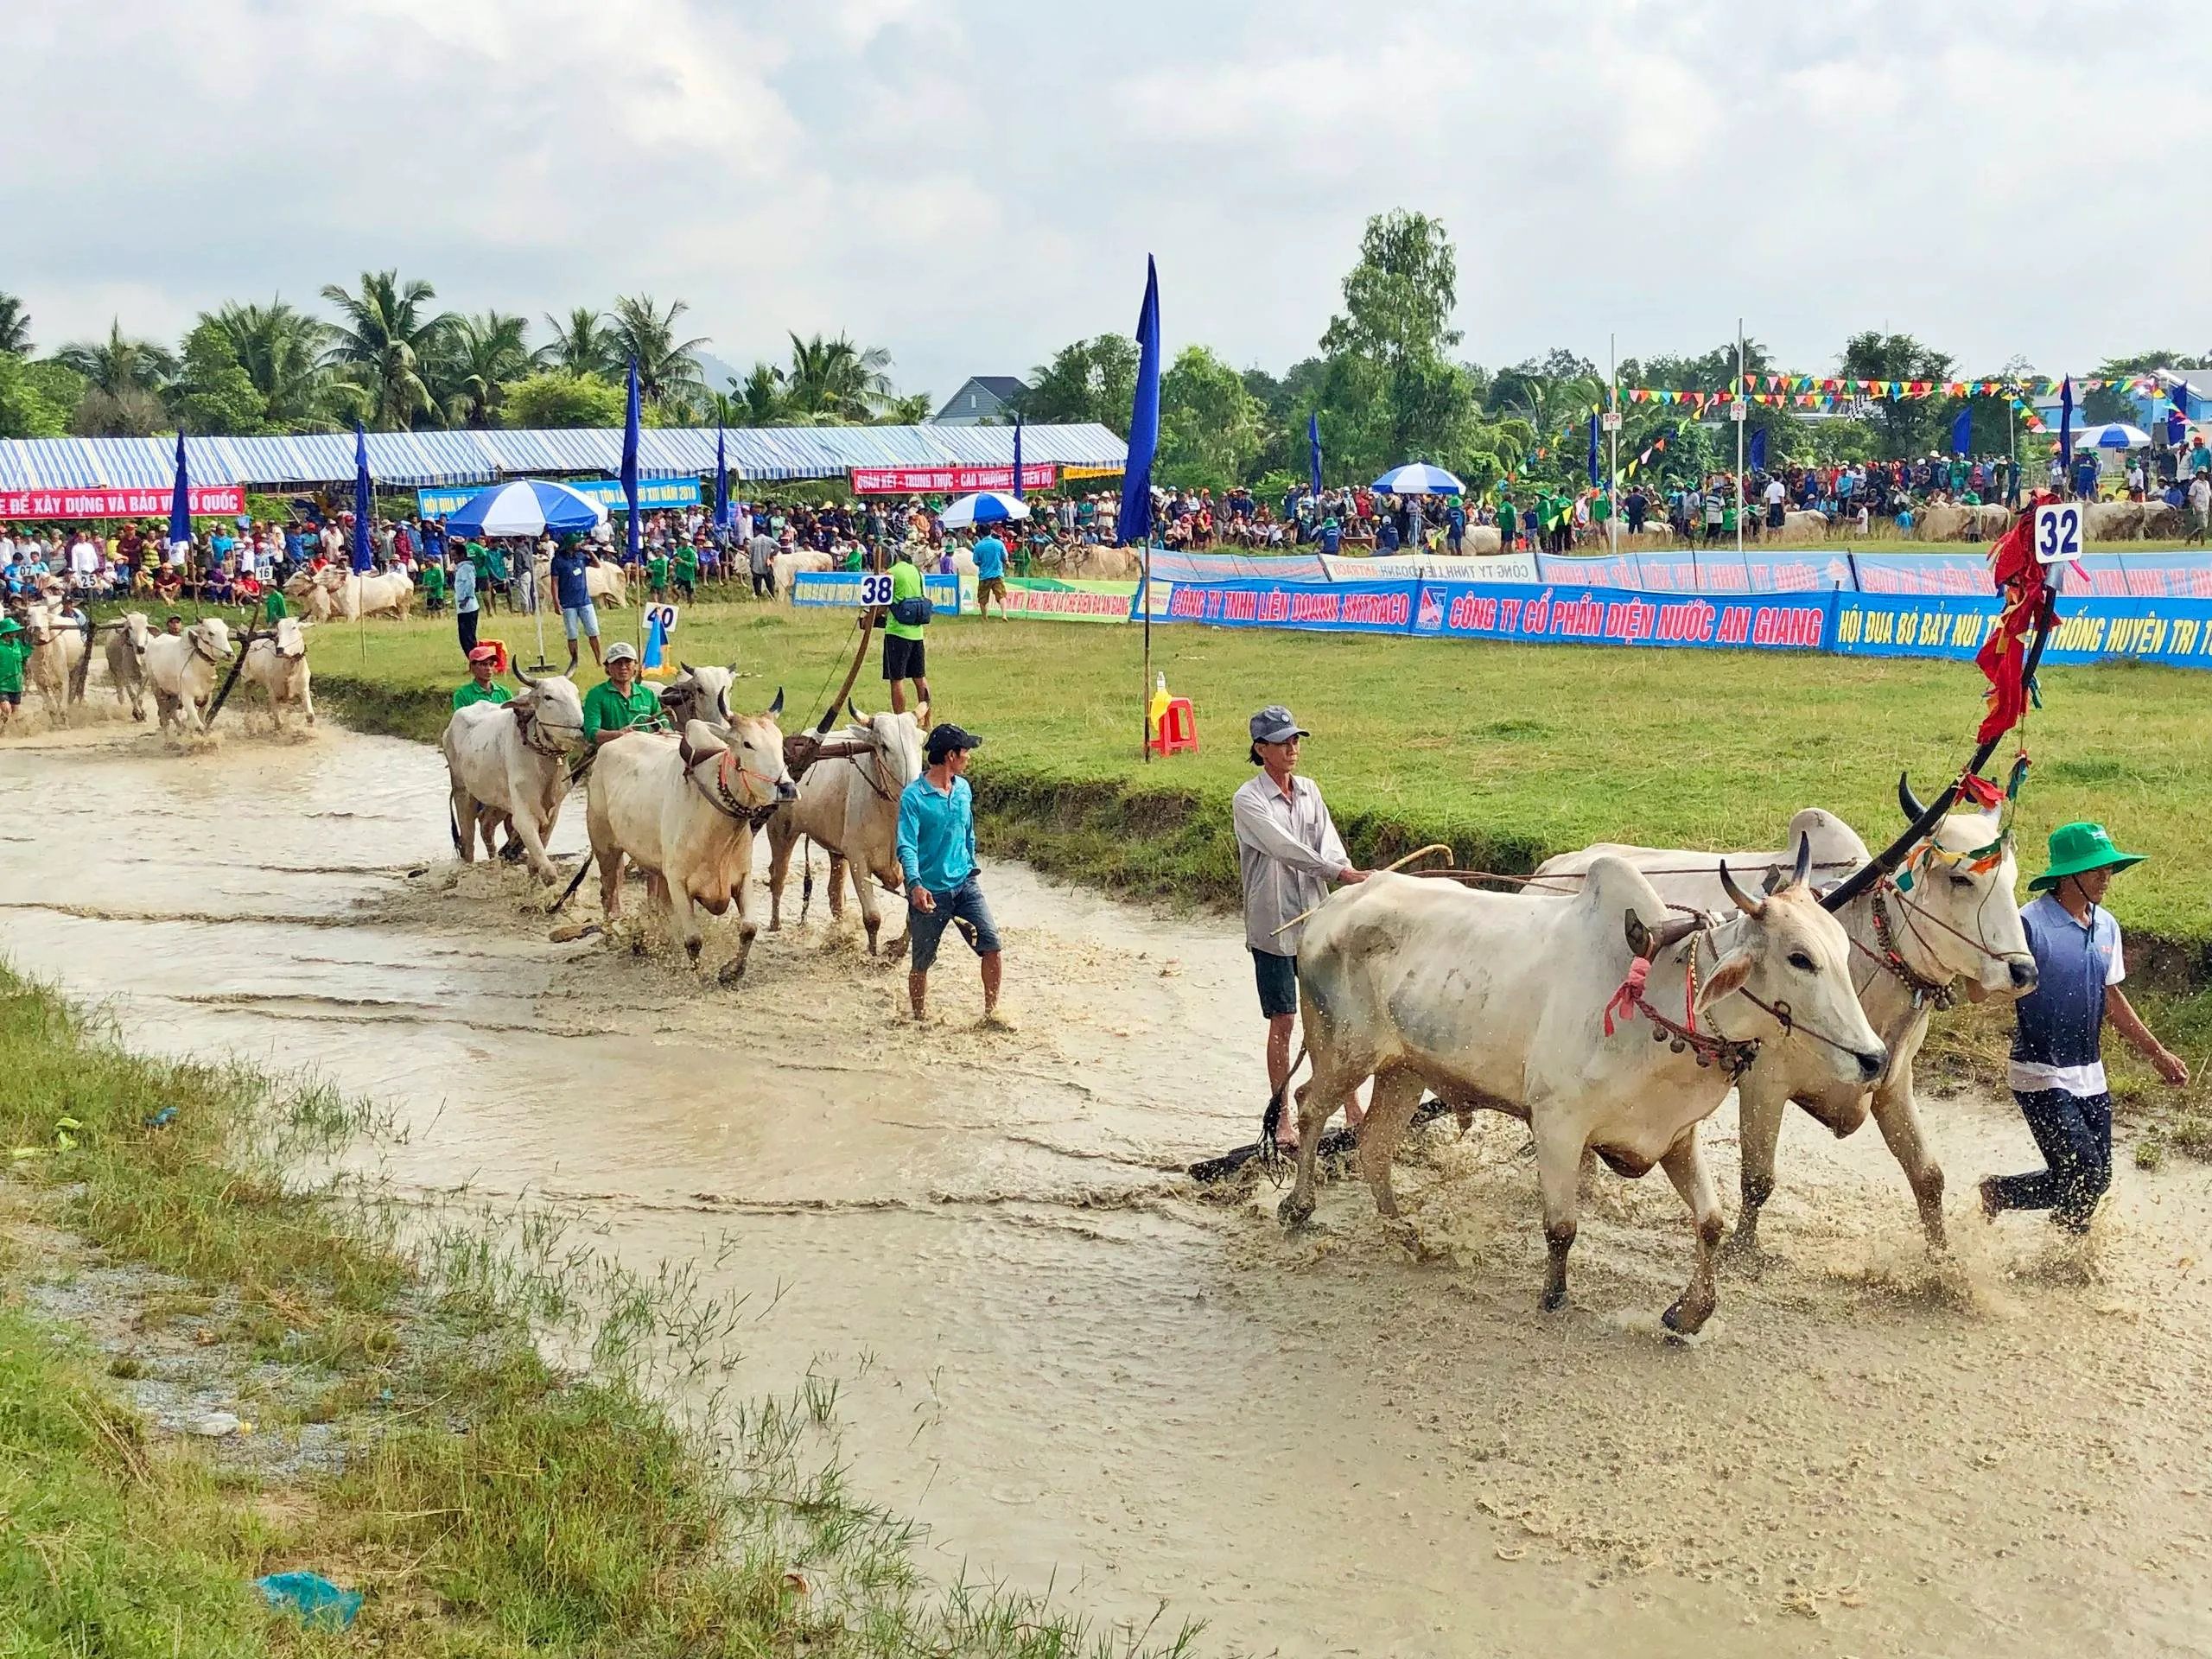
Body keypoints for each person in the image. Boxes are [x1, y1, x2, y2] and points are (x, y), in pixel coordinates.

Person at [1980, 823, 2189, 1234]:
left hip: (2089, 1074)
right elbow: (1994, 986)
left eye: (2109, 869)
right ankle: (2046, 1237)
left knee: (2095, 1179)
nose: (2106, 878)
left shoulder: (2106, 925)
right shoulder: (2029, 924)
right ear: (2067, 875)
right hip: (2040, 1073)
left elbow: (2112, 998)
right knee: (2085, 1175)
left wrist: (2157, 1054)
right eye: (2096, 870)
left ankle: (2015, 1208)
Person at [1231, 706, 1368, 1149]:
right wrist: (1337, 873)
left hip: (1317, 925)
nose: (1293, 748)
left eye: (1296, 740)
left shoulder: (1309, 791)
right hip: (1273, 929)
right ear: (1260, 749)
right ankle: (1282, 1118)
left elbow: (1330, 845)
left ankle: (1351, 1107)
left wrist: (1349, 876)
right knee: (1285, 1022)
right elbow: (1284, 848)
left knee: (1333, 1017)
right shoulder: (1248, 800)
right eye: (1283, 741)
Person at [895, 722, 1003, 1024]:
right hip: (930, 894)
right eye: (965, 751)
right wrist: (915, 885)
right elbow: (906, 846)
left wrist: (969, 862)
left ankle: (991, 1013)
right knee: (922, 962)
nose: (968, 756)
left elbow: (967, 831)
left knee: (992, 945)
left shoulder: (963, 789)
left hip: (965, 886)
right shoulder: (913, 798)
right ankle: (919, 1018)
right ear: (951, 756)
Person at [579, 642, 664, 747]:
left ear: (635, 666)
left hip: (645, 754)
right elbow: (591, 732)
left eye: (628, 662)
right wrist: (618, 735)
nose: (623, 667)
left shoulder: (648, 694)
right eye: (617, 663)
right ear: (607, 668)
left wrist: (665, 732)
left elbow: (664, 724)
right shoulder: (596, 695)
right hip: (609, 754)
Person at [882, 546, 931, 715]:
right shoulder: (917, 572)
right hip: (917, 631)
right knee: (920, 678)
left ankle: (899, 721)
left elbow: (882, 602)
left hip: (897, 632)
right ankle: (927, 720)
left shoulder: (890, 573)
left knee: (896, 679)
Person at [550, 538, 602, 675]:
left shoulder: (581, 556)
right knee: (572, 634)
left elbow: (597, 565)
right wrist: (556, 601)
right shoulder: (558, 561)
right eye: (577, 542)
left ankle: (599, 660)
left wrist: (590, 552)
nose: (580, 544)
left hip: (584, 601)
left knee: (593, 631)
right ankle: (575, 661)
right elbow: (554, 582)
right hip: (568, 603)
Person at [452, 643, 511, 711]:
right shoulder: (462, 695)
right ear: (472, 667)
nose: (488, 668)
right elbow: (461, 719)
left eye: (491, 664)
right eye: (483, 664)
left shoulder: (504, 692)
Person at [971, 526, 1009, 618]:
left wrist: (983, 563)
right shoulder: (999, 543)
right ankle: (1004, 615)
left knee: (983, 598)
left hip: (984, 575)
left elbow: (976, 561)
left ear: (980, 534)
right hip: (997, 574)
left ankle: (985, 617)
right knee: (1001, 595)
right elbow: (1005, 558)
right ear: (991, 533)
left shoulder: (978, 546)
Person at [453, 547, 480, 659]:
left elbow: (471, 584)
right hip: (463, 608)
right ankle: (472, 661)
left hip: (468, 606)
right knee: (464, 637)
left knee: (468, 637)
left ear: (462, 555)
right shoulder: (461, 568)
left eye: (455, 555)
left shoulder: (466, 568)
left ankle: (475, 661)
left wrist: (466, 598)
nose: (453, 558)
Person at [0, 615, 24, 734]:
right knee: (7, 710)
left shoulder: (17, 644)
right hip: (2, 684)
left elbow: (25, 655)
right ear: (6, 632)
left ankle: (4, 731)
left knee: (15, 714)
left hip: (16, 684)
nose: (15, 633)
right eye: (13, 631)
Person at [748, 525, 776, 599]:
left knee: (757, 584)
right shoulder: (769, 540)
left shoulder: (753, 541)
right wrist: (772, 555)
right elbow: (778, 547)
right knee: (770, 583)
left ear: (757, 531)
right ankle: (772, 597)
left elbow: (751, 554)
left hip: (756, 566)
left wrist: (750, 565)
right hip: (766, 564)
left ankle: (759, 598)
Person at [2187, 472, 2211, 547]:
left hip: (2206, 507)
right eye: (2200, 474)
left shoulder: (2207, 483)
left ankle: (2202, 543)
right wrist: (2195, 506)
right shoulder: (2195, 484)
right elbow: (2191, 496)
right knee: (2202, 526)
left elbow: (2209, 495)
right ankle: (2189, 538)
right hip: (2199, 507)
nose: (2202, 475)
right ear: (2198, 475)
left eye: (2203, 474)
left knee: (2204, 526)